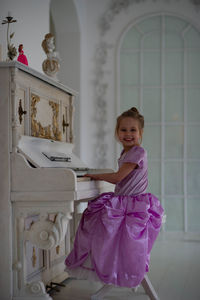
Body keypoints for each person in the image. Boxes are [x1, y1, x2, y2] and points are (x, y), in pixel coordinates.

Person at [65, 107, 164, 298]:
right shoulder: (126, 152)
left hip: (133, 205)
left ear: (140, 133)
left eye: (133, 130)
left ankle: (116, 267)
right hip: (124, 201)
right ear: (117, 133)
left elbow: (118, 177)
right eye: (123, 130)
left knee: (99, 222)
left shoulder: (138, 152)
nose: (127, 134)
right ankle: (108, 265)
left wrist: (93, 175)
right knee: (93, 217)